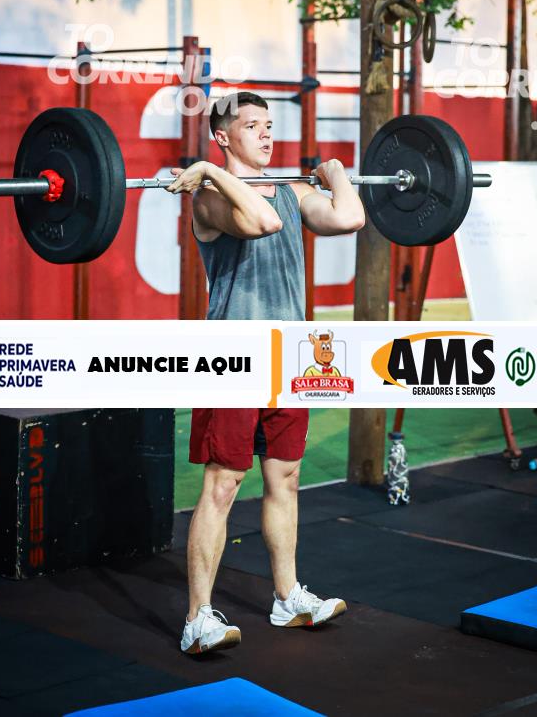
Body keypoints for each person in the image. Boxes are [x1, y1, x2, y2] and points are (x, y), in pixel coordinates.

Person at [167, 91, 365, 655]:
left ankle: (287, 597)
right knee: (224, 483)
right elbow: (262, 221)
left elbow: (350, 216)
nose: (266, 134)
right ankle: (197, 619)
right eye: (252, 125)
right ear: (223, 137)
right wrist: (210, 173)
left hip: (290, 357)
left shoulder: (291, 190)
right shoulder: (208, 200)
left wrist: (336, 173)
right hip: (233, 359)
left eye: (270, 125)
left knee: (286, 478)